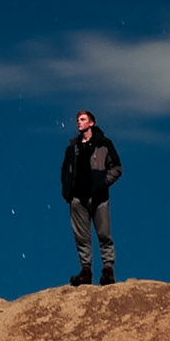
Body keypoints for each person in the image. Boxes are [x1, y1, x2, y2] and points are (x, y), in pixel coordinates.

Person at [59, 109, 122, 285]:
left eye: (83, 119)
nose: (79, 122)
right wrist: (67, 192)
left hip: (99, 197)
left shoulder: (104, 144)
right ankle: (86, 271)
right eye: (78, 119)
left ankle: (108, 269)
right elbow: (64, 170)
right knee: (81, 236)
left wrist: (101, 182)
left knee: (104, 233)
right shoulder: (72, 148)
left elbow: (117, 168)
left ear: (91, 123)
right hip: (77, 198)